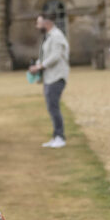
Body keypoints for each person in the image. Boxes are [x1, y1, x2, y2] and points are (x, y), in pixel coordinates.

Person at [28, 11, 70, 148]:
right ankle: (56, 136)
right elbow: (46, 55)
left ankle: (60, 137)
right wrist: (37, 66)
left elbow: (55, 56)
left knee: (54, 107)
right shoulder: (49, 37)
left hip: (56, 76)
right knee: (51, 107)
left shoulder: (57, 36)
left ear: (47, 23)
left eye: (38, 23)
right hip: (49, 76)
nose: (37, 26)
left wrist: (40, 66)